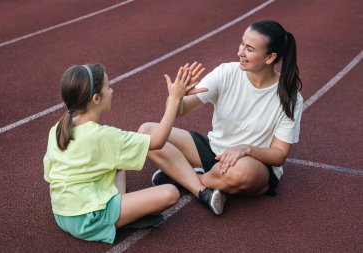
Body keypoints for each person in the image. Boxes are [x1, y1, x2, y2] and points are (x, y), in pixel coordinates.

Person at [138, 20, 303, 215]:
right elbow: (180, 110)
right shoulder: (226, 72)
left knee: (241, 172)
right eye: (242, 44)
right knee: (146, 133)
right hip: (214, 150)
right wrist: (177, 96)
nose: (240, 52)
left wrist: (245, 149)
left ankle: (182, 176)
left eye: (249, 49)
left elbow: (279, 155)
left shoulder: (290, 97)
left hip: (252, 164)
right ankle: (203, 190)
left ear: (270, 57)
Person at [43, 63, 199, 244]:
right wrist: (174, 99)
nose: (112, 90)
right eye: (108, 87)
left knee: (119, 164)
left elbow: (50, 175)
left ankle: (122, 210)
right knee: (170, 193)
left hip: (62, 213)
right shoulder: (103, 136)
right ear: (95, 99)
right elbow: (157, 141)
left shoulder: (57, 129)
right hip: (88, 219)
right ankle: (121, 219)